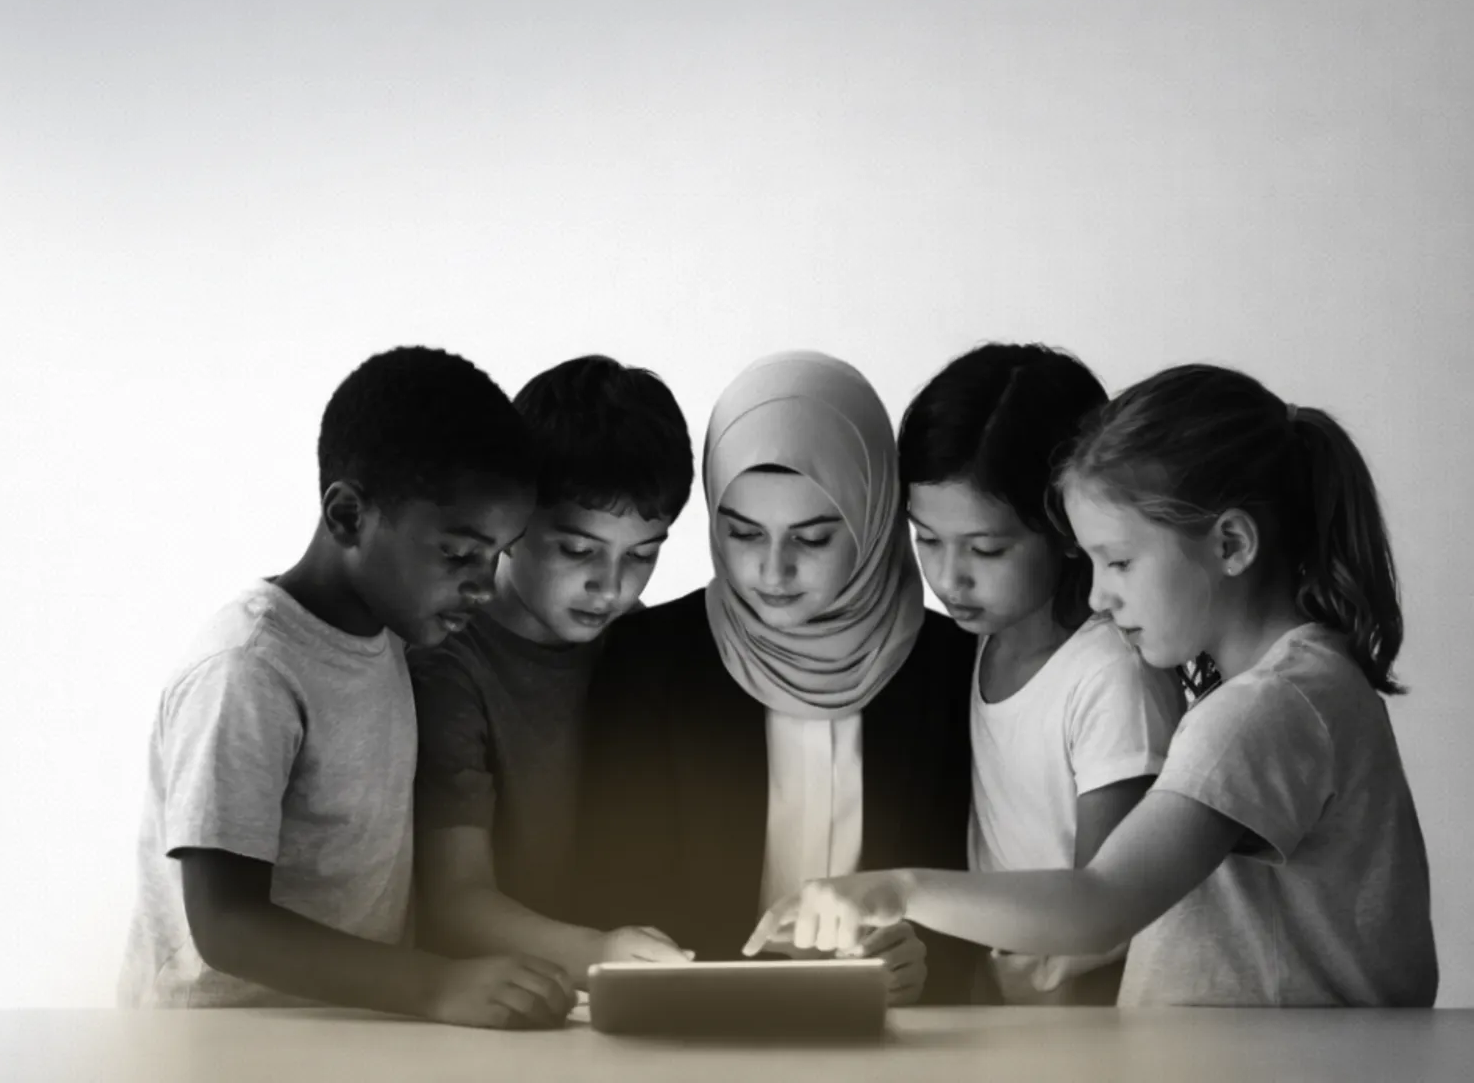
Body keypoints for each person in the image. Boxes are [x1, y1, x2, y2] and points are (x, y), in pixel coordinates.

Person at [746, 364, 1438, 1008]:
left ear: (1231, 545)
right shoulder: (1292, 687)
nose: (1100, 597)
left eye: (1120, 562)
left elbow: (1102, 903)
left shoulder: (1265, 709)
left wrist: (892, 891)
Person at [118, 346, 575, 1028]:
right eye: (458, 554)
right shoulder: (248, 669)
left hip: (348, 1031)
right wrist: (436, 986)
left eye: (497, 555)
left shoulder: (395, 634)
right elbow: (226, 926)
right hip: (220, 1045)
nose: (482, 585)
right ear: (348, 516)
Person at [574, 351, 979, 1005]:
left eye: (813, 538)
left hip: (900, 1046)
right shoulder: (646, 658)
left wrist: (924, 962)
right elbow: (613, 891)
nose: (771, 571)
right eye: (741, 534)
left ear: (874, 518)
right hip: (695, 1038)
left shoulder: (953, 667)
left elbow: (975, 891)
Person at [899, 343, 1183, 1004]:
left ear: (1065, 523)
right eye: (926, 539)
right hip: (1000, 1024)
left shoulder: (1111, 677)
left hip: (1086, 1033)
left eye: (986, 548)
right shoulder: (969, 647)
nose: (948, 577)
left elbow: (1107, 920)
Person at [411, 354, 697, 985]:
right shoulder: (448, 661)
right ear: (511, 517)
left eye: (643, 556)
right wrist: (601, 952)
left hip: (608, 995)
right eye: (577, 550)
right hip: (483, 1000)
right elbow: (455, 903)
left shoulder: (640, 640)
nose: (611, 586)